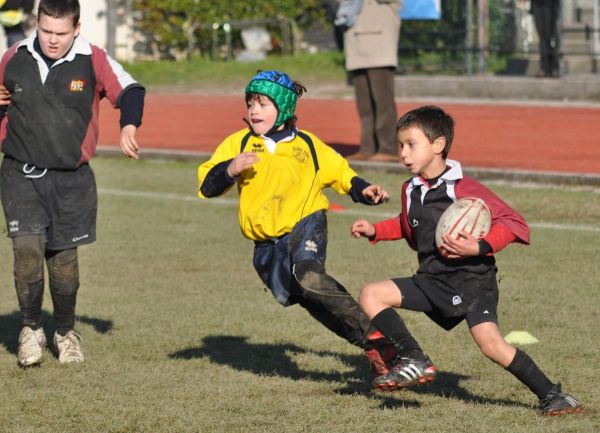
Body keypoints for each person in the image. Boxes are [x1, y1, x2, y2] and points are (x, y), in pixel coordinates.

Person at [350, 105, 582, 416]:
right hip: (432, 280)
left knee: (492, 346)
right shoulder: (411, 189)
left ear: (438, 145)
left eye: (411, 144)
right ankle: (413, 359)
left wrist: (479, 246)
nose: (403, 153)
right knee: (371, 293)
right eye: (400, 145)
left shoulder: (464, 189)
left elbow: (515, 223)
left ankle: (554, 395)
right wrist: (375, 230)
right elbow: (407, 226)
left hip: (472, 282)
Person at [197, 70, 397, 381]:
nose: (254, 110)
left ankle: (379, 338)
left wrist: (365, 190)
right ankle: (375, 347)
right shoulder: (238, 143)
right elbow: (207, 186)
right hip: (266, 245)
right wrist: (230, 169)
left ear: (285, 107)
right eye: (250, 103)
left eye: (263, 103)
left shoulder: (308, 145)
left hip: (306, 224)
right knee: (311, 300)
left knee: (310, 277)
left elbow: (341, 174)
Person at [0, 0, 145, 367]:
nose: (52, 40)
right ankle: (30, 329)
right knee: (28, 251)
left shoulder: (92, 58)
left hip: (71, 180)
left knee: (63, 263)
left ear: (77, 28)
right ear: (36, 23)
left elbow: (130, 90)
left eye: (61, 33)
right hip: (21, 173)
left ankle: (65, 331)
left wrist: (129, 124)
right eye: (46, 31)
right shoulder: (13, 56)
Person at [336, 0, 402, 162]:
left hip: (380, 48)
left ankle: (388, 148)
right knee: (364, 105)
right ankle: (367, 147)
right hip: (356, 47)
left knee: (383, 103)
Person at [530, 0, 561, 78]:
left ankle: (554, 67)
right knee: (542, 37)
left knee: (552, 36)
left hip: (550, 5)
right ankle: (544, 67)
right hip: (537, 5)